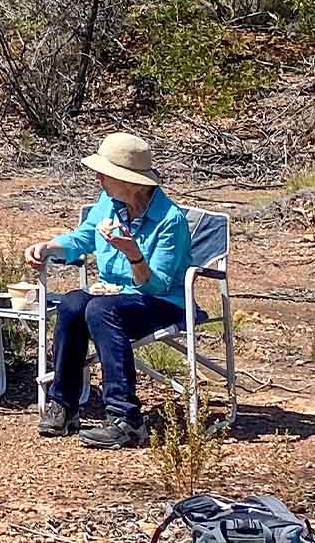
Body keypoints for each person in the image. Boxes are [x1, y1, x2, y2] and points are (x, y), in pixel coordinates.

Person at [25, 132, 192, 450]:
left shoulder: (170, 220)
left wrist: (134, 255)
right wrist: (49, 246)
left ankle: (126, 419)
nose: (98, 177)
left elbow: (158, 285)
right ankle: (64, 404)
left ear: (128, 181)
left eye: (105, 173)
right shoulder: (108, 203)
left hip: (162, 301)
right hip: (114, 293)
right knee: (73, 303)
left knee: (101, 309)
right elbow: (83, 238)